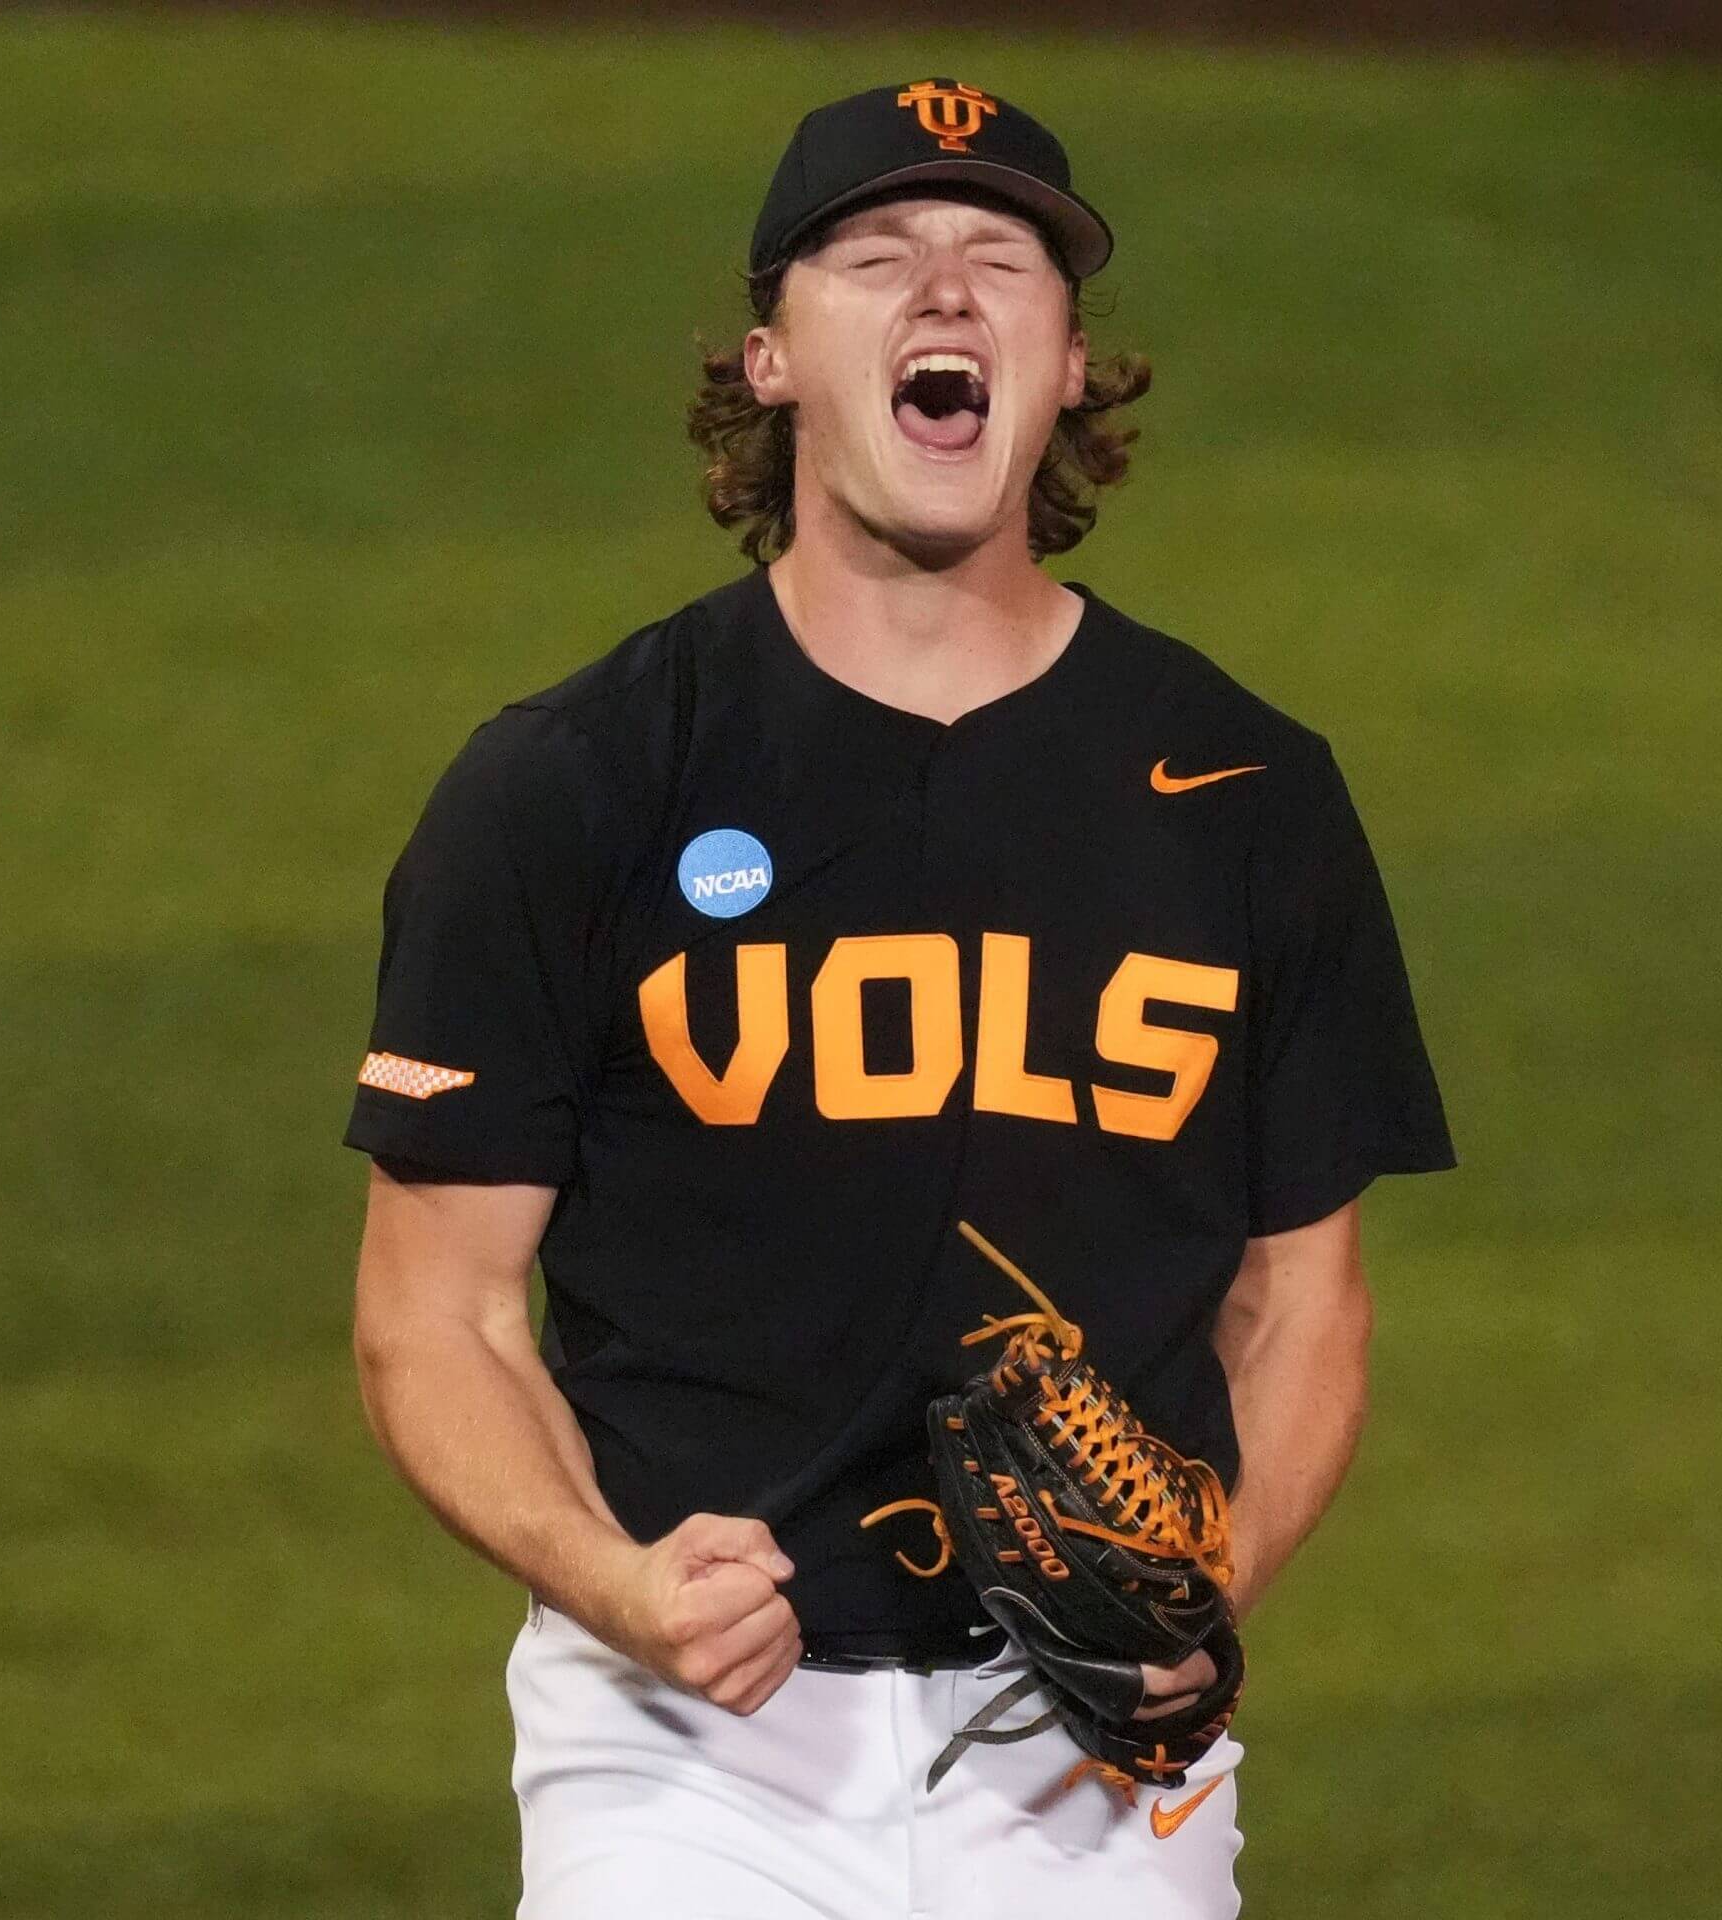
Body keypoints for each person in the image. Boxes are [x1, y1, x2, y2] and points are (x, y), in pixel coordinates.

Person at [345, 77, 1455, 1920]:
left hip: (1093, 1759)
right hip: (684, 1746)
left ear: (1072, 365)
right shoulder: (578, 782)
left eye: (999, 261)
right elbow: (433, 1312)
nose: (944, 295)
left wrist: (1203, 1593)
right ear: (771, 357)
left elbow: (1305, 1294)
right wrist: (612, 1582)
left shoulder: (1245, 792)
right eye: (878, 257)